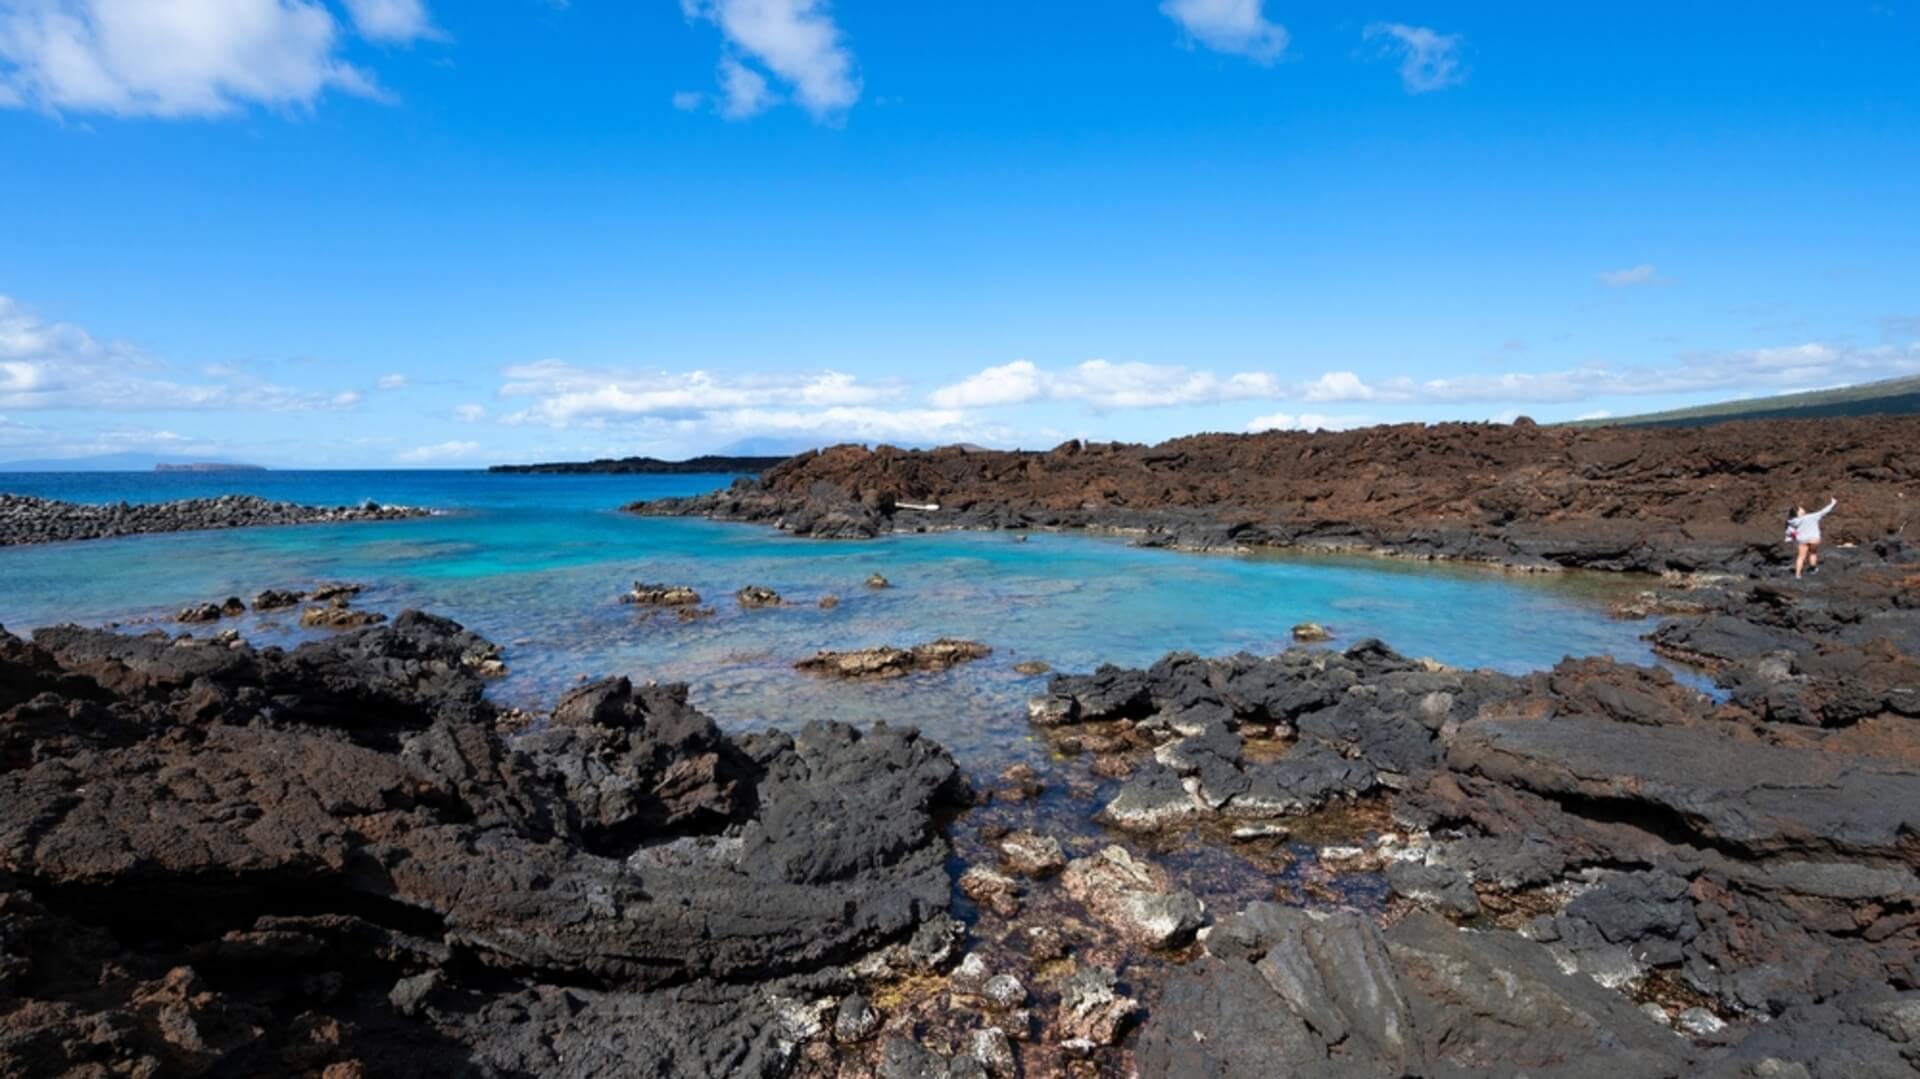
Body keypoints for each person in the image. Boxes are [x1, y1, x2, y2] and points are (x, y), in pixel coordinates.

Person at [1785, 497, 1836, 579]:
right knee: (1813, 553)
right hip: (1814, 539)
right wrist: (1832, 503)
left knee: (1801, 557)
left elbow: (1789, 531)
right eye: (1801, 509)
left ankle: (1797, 575)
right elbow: (1824, 512)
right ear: (1798, 512)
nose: (1803, 509)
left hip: (1802, 540)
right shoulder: (1812, 516)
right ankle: (1813, 569)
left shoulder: (1792, 521)